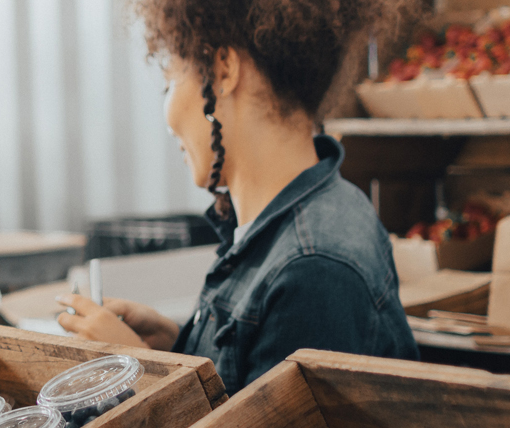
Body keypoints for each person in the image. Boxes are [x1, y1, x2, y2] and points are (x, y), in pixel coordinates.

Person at [56, 0, 420, 394]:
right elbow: (250, 379)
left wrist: (140, 372)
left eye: (170, 81)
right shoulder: (307, 217)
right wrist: (176, 345)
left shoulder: (312, 267)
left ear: (224, 70)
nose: (168, 117)